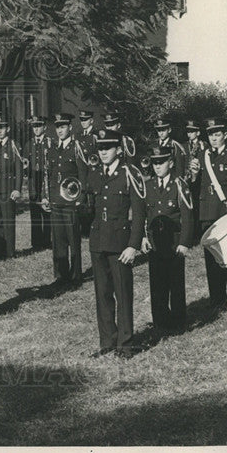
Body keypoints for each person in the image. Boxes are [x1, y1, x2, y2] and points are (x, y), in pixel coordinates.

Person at [84, 130, 146, 356]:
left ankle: (126, 343)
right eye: (100, 149)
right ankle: (107, 341)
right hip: (98, 240)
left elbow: (139, 213)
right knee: (102, 294)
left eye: (107, 148)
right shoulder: (94, 173)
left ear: (118, 150)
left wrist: (133, 245)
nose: (102, 152)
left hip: (120, 243)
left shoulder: (130, 173)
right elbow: (89, 209)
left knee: (123, 293)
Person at [191, 117, 227, 309]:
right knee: (212, 259)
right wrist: (192, 175)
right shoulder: (203, 155)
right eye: (211, 135)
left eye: (217, 135)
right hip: (208, 212)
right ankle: (217, 298)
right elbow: (194, 185)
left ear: (225, 135)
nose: (214, 139)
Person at [141, 145, 194, 337]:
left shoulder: (179, 184)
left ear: (170, 163)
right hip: (155, 241)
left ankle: (179, 320)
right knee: (157, 282)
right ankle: (160, 321)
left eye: (161, 162)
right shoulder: (148, 186)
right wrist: (143, 237)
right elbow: (144, 214)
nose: (157, 166)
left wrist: (185, 242)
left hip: (174, 241)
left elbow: (187, 216)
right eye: (154, 162)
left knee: (175, 282)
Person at [43, 112, 88, 285]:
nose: (60, 130)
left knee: (73, 240)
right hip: (56, 201)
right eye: (58, 127)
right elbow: (50, 175)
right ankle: (61, 276)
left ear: (70, 127)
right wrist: (46, 197)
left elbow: (83, 174)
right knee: (58, 240)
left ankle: (76, 275)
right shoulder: (52, 148)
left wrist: (81, 198)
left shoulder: (76, 147)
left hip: (71, 202)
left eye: (63, 127)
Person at [0, 114, 23, 259]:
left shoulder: (14, 145)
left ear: (7, 129)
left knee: (8, 220)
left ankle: (10, 252)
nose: (0, 131)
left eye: (2, 128)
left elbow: (19, 169)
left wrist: (17, 189)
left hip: (8, 188)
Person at [23, 115, 52, 250]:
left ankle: (47, 241)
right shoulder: (29, 144)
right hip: (33, 180)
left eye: (39, 126)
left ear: (44, 127)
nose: (36, 129)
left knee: (46, 211)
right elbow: (25, 164)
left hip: (46, 181)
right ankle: (36, 243)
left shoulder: (50, 142)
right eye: (34, 126)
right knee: (35, 211)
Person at [75, 110, 98, 238]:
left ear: (91, 120)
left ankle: (93, 228)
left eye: (86, 120)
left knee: (93, 201)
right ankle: (84, 229)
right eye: (82, 120)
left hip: (93, 172)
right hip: (81, 172)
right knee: (82, 200)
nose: (83, 122)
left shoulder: (96, 135)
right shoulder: (78, 136)